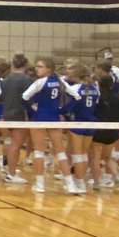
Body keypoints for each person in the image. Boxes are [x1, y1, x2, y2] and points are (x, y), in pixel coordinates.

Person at [23, 57, 82, 195]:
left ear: (49, 68)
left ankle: (40, 185)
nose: (37, 69)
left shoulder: (39, 82)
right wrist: (63, 111)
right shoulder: (61, 82)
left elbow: (25, 97)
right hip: (54, 118)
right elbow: (76, 97)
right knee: (60, 152)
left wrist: (33, 109)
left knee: (39, 152)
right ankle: (70, 185)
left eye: (40, 66)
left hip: (39, 118)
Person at [1, 54, 34, 185]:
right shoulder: (28, 80)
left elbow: (2, 97)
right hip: (20, 114)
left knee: (9, 142)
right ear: (26, 65)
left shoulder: (6, 79)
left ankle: (9, 168)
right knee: (16, 145)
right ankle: (11, 174)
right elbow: (30, 99)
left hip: (7, 113)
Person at [66, 64, 99, 194]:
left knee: (77, 154)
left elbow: (68, 107)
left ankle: (79, 183)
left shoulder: (74, 89)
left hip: (77, 122)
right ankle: (81, 182)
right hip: (91, 123)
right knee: (84, 154)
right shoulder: (95, 89)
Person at [90, 74, 119, 190]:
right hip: (112, 131)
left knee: (95, 157)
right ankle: (113, 176)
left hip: (98, 130)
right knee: (108, 156)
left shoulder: (97, 96)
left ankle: (96, 183)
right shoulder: (118, 98)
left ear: (99, 83)